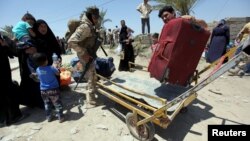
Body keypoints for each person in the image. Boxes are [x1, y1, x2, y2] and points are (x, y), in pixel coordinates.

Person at [67, 6, 101, 108]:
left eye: (97, 17)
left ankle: (91, 95)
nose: (96, 19)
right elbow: (71, 42)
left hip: (88, 52)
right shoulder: (85, 27)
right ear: (90, 16)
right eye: (95, 17)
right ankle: (91, 101)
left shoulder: (89, 25)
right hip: (85, 54)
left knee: (92, 74)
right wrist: (83, 53)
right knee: (90, 75)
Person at [0, 34, 25, 127]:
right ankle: (14, 117)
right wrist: (6, 45)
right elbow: (14, 52)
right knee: (9, 92)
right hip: (3, 75)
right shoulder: (2, 42)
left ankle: (3, 119)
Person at [32, 53, 64, 123]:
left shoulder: (37, 69)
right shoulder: (51, 68)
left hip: (43, 90)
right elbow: (58, 73)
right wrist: (57, 66)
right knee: (57, 103)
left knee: (47, 104)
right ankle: (60, 117)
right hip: (53, 89)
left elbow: (39, 76)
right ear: (46, 60)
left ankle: (49, 117)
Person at [12, 13, 38, 80]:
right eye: (31, 22)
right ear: (26, 19)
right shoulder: (25, 23)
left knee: (28, 59)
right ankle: (35, 72)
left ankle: (33, 72)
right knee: (32, 56)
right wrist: (35, 35)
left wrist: (12, 42)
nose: (31, 25)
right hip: (26, 39)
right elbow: (31, 33)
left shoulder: (17, 26)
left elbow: (14, 38)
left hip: (20, 43)